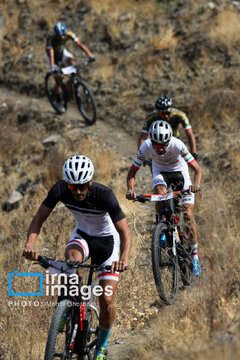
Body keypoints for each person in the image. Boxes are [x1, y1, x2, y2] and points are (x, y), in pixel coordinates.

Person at [23, 155, 131, 360]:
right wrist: (30, 245)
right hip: (82, 236)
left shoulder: (104, 195)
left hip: (107, 242)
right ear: (67, 184)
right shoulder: (59, 190)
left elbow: (125, 232)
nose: (78, 191)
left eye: (82, 186)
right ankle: (68, 304)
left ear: (90, 182)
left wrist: (123, 259)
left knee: (106, 300)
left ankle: (101, 346)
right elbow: (39, 218)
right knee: (70, 261)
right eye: (73, 187)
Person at [127, 120, 202, 276]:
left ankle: (194, 255)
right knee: (160, 193)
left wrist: (196, 184)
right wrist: (130, 190)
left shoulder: (178, 144)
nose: (160, 148)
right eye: (157, 145)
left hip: (180, 172)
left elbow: (197, 169)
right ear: (151, 141)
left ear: (169, 141)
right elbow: (132, 172)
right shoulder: (145, 147)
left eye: (163, 145)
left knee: (187, 213)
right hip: (160, 171)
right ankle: (162, 225)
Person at [46, 21, 95, 113]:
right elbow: (51, 54)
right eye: (59, 36)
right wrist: (53, 68)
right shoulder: (50, 38)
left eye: (63, 35)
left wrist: (90, 55)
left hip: (61, 52)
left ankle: (73, 81)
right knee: (58, 79)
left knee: (73, 62)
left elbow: (80, 44)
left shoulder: (70, 34)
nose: (62, 37)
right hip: (51, 57)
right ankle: (58, 101)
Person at [138, 95, 198, 160]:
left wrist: (193, 152)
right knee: (153, 163)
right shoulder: (150, 117)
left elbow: (189, 134)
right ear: (158, 112)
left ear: (172, 110)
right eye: (163, 114)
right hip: (156, 142)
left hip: (173, 140)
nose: (166, 116)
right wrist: (141, 156)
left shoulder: (180, 115)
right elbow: (142, 137)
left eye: (168, 113)